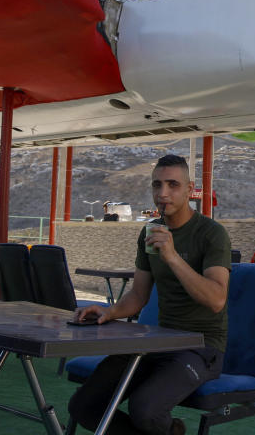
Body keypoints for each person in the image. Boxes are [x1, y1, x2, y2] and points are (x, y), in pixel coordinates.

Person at [69, 154, 231, 435]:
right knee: (84, 405)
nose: (163, 193)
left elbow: (216, 300)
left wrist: (172, 256)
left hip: (202, 347)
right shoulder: (150, 232)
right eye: (157, 185)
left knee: (145, 410)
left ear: (190, 189)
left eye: (173, 185)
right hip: (159, 341)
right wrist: (109, 312)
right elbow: (138, 296)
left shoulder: (211, 234)